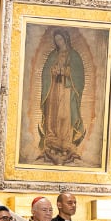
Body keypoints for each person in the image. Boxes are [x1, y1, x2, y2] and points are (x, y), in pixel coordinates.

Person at [38, 31, 87, 162]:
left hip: (67, 89)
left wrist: (67, 72)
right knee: (53, 114)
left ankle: (65, 140)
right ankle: (52, 139)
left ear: (65, 39)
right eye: (56, 40)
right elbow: (45, 73)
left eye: (60, 40)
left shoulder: (74, 56)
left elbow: (79, 75)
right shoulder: (53, 55)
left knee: (65, 114)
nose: (59, 42)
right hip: (54, 88)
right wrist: (52, 71)